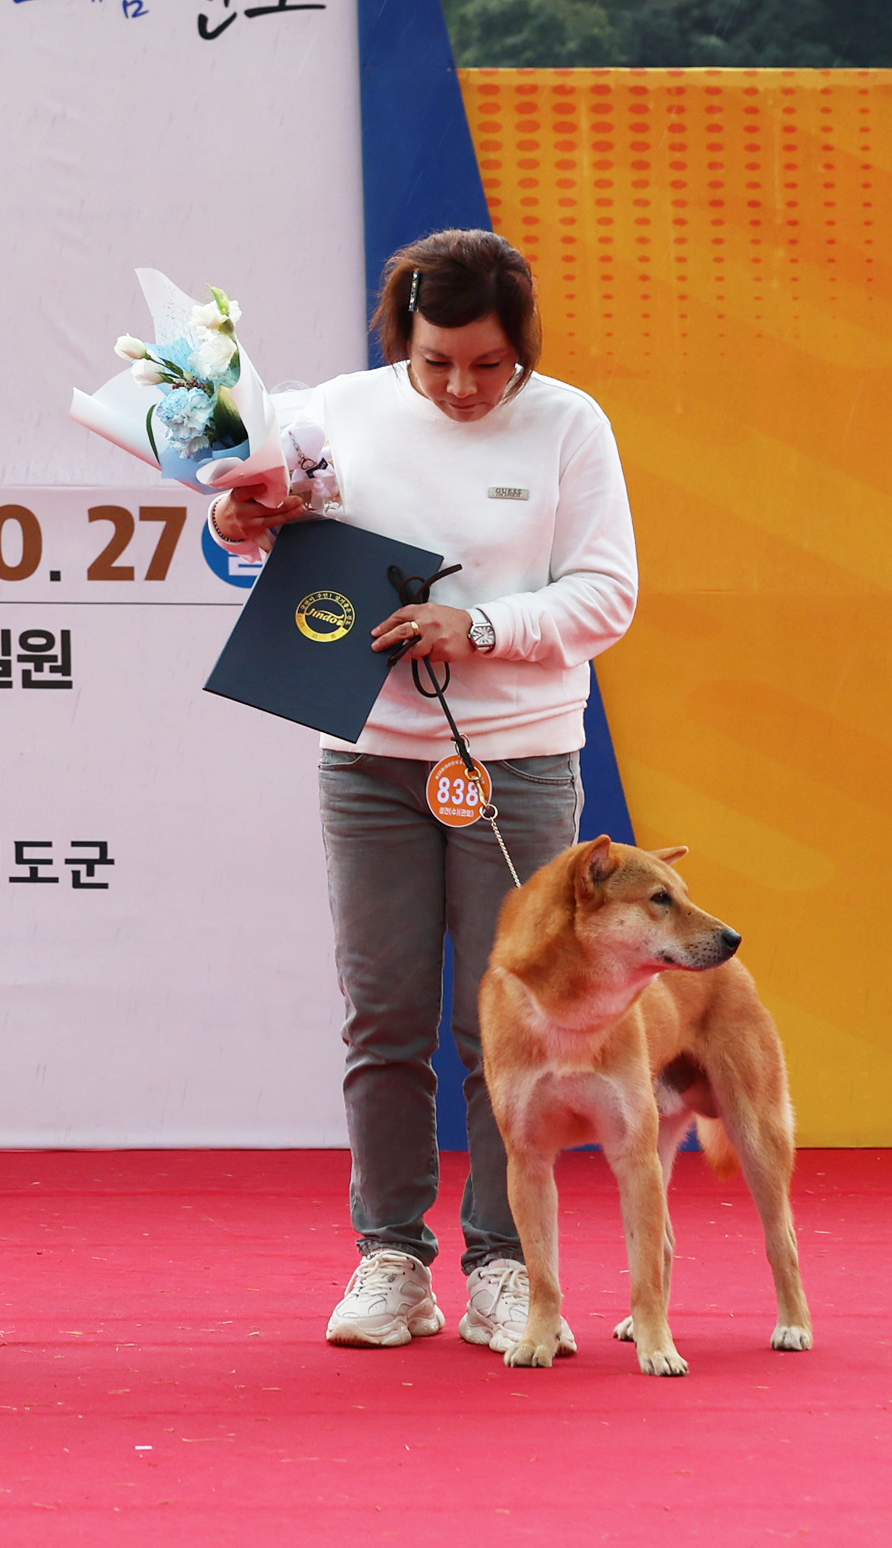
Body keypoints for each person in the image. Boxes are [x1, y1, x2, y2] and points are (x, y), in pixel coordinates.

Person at [214, 228, 637, 1358]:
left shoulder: (568, 424)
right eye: (437, 358)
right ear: (400, 332)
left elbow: (607, 594)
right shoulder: (329, 411)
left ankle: (503, 1259)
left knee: (502, 1020)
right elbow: (267, 551)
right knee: (383, 1012)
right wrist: (236, 523)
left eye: (487, 364)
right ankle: (389, 1256)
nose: (460, 384)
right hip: (366, 754)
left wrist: (482, 624)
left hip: (523, 761)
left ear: (521, 346)